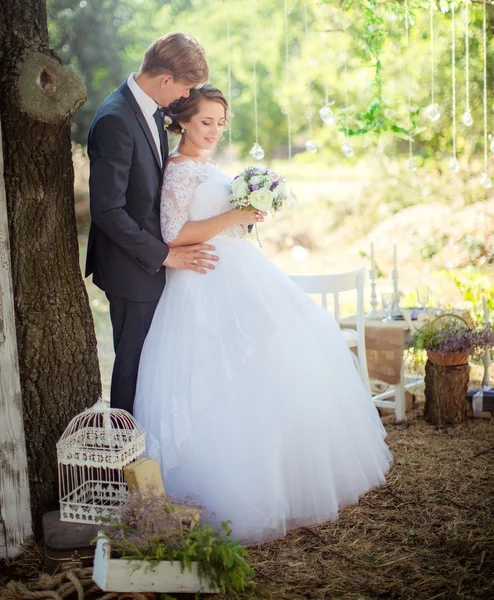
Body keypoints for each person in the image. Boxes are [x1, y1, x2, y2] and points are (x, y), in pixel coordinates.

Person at [134, 84, 392, 544]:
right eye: (205, 122)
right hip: (203, 282)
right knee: (222, 380)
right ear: (183, 122)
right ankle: (230, 491)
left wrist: (249, 215)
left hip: (237, 273)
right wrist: (236, 215)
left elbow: (220, 218)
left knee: (282, 362)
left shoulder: (207, 166)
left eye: (219, 122)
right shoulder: (178, 171)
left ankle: (287, 480)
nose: (213, 130)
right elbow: (173, 232)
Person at [85, 33, 219, 415]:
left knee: (156, 365)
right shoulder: (115, 119)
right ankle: (129, 461)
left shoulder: (149, 109)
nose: (184, 96)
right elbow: (107, 210)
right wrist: (165, 255)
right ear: (165, 81)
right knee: (133, 365)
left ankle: (151, 452)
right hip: (132, 269)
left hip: (152, 262)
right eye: (185, 88)